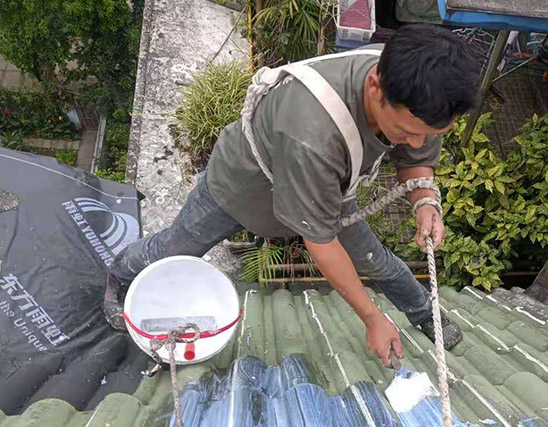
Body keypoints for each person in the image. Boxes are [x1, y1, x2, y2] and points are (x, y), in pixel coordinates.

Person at [104, 25, 482, 366]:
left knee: (375, 260)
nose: (415, 143)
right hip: (242, 186)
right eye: (406, 133)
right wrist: (372, 318)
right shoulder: (312, 132)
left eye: (429, 134)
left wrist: (425, 201)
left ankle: (423, 312)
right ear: (375, 86)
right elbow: (321, 242)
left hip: (326, 188)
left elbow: (417, 160)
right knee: (175, 249)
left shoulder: (420, 87)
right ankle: (120, 278)